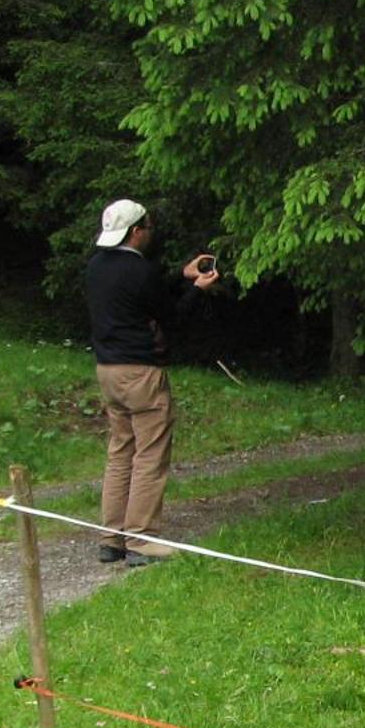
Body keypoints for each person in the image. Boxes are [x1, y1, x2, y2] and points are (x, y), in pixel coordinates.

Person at [83, 199, 220, 565]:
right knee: (150, 453)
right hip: (141, 371)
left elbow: (145, 294)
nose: (150, 233)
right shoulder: (138, 271)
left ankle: (111, 537)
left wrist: (181, 275)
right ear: (136, 231)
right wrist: (198, 289)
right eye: (148, 227)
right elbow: (170, 314)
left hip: (107, 370)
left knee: (120, 451)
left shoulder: (96, 266)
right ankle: (141, 539)